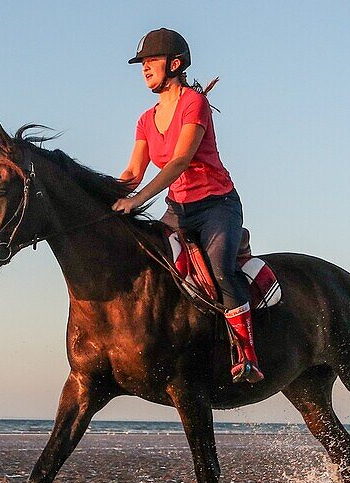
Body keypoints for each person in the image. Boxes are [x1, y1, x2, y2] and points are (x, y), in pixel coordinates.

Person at [113, 28, 263, 384]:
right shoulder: (145, 119)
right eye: (142, 63)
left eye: (151, 61)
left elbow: (179, 161)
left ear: (174, 64)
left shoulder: (194, 103)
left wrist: (137, 201)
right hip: (178, 209)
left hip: (216, 205)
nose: (145, 68)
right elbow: (134, 171)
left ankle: (247, 356)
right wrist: (108, 196)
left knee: (221, 268)